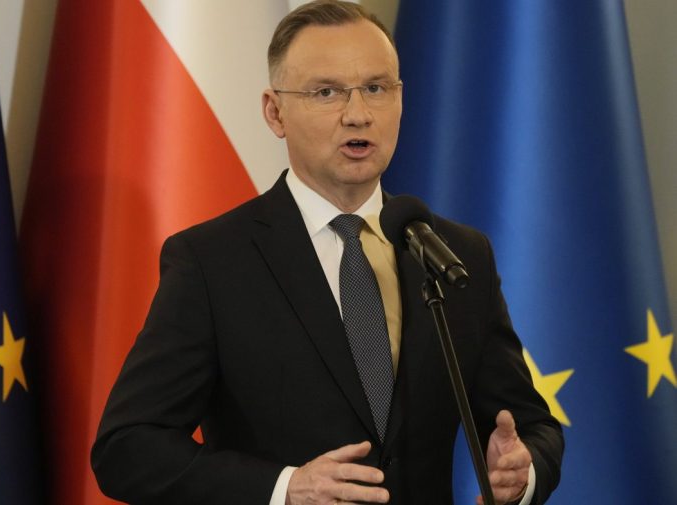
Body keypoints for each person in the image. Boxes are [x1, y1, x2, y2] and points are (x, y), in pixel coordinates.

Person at [91, 1, 563, 504]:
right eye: (326, 92)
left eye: (377, 88)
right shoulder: (212, 262)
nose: (358, 114)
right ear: (275, 112)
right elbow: (128, 448)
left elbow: (532, 425)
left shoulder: (452, 253)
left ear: (401, 99)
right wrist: (284, 488)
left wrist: (523, 470)